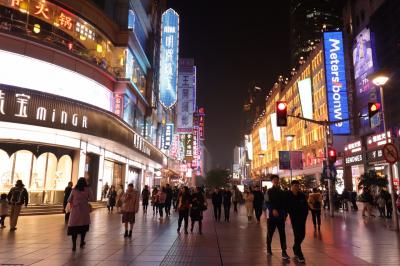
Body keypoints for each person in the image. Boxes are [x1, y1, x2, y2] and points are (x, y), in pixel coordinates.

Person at [266, 175, 289, 260]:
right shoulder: (269, 191)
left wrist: (285, 214)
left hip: (281, 216)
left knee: (282, 234)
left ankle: (284, 251)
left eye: (277, 179)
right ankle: (268, 248)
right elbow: (267, 202)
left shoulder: (282, 192)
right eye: (274, 180)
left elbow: (285, 204)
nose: (276, 181)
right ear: (272, 181)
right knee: (270, 233)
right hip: (271, 216)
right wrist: (273, 209)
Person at [67, 177, 93, 251]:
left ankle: (74, 245)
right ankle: (82, 242)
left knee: (74, 229)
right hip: (84, 210)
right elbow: (91, 198)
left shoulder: (74, 190)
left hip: (75, 211)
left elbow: (69, 199)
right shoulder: (87, 189)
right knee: (83, 227)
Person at [286, 180, 308, 263]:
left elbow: (306, 206)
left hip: (302, 218)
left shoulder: (302, 195)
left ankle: (295, 247)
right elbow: (286, 206)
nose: (296, 187)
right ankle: (299, 254)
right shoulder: (288, 195)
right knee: (297, 234)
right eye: (295, 185)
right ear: (291, 186)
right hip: (294, 218)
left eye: (297, 185)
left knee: (302, 235)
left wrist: (305, 215)